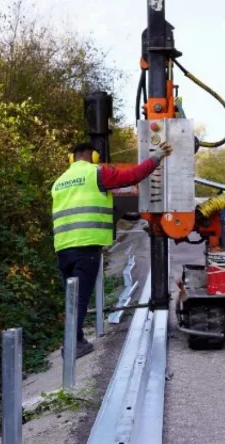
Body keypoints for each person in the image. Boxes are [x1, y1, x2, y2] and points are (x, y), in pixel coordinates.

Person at [52, 141, 172, 358]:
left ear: (72, 159)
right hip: (86, 245)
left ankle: (77, 339)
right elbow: (133, 176)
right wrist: (157, 157)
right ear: (93, 157)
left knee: (72, 297)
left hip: (62, 247)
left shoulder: (59, 181)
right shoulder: (96, 174)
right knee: (79, 299)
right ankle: (71, 347)